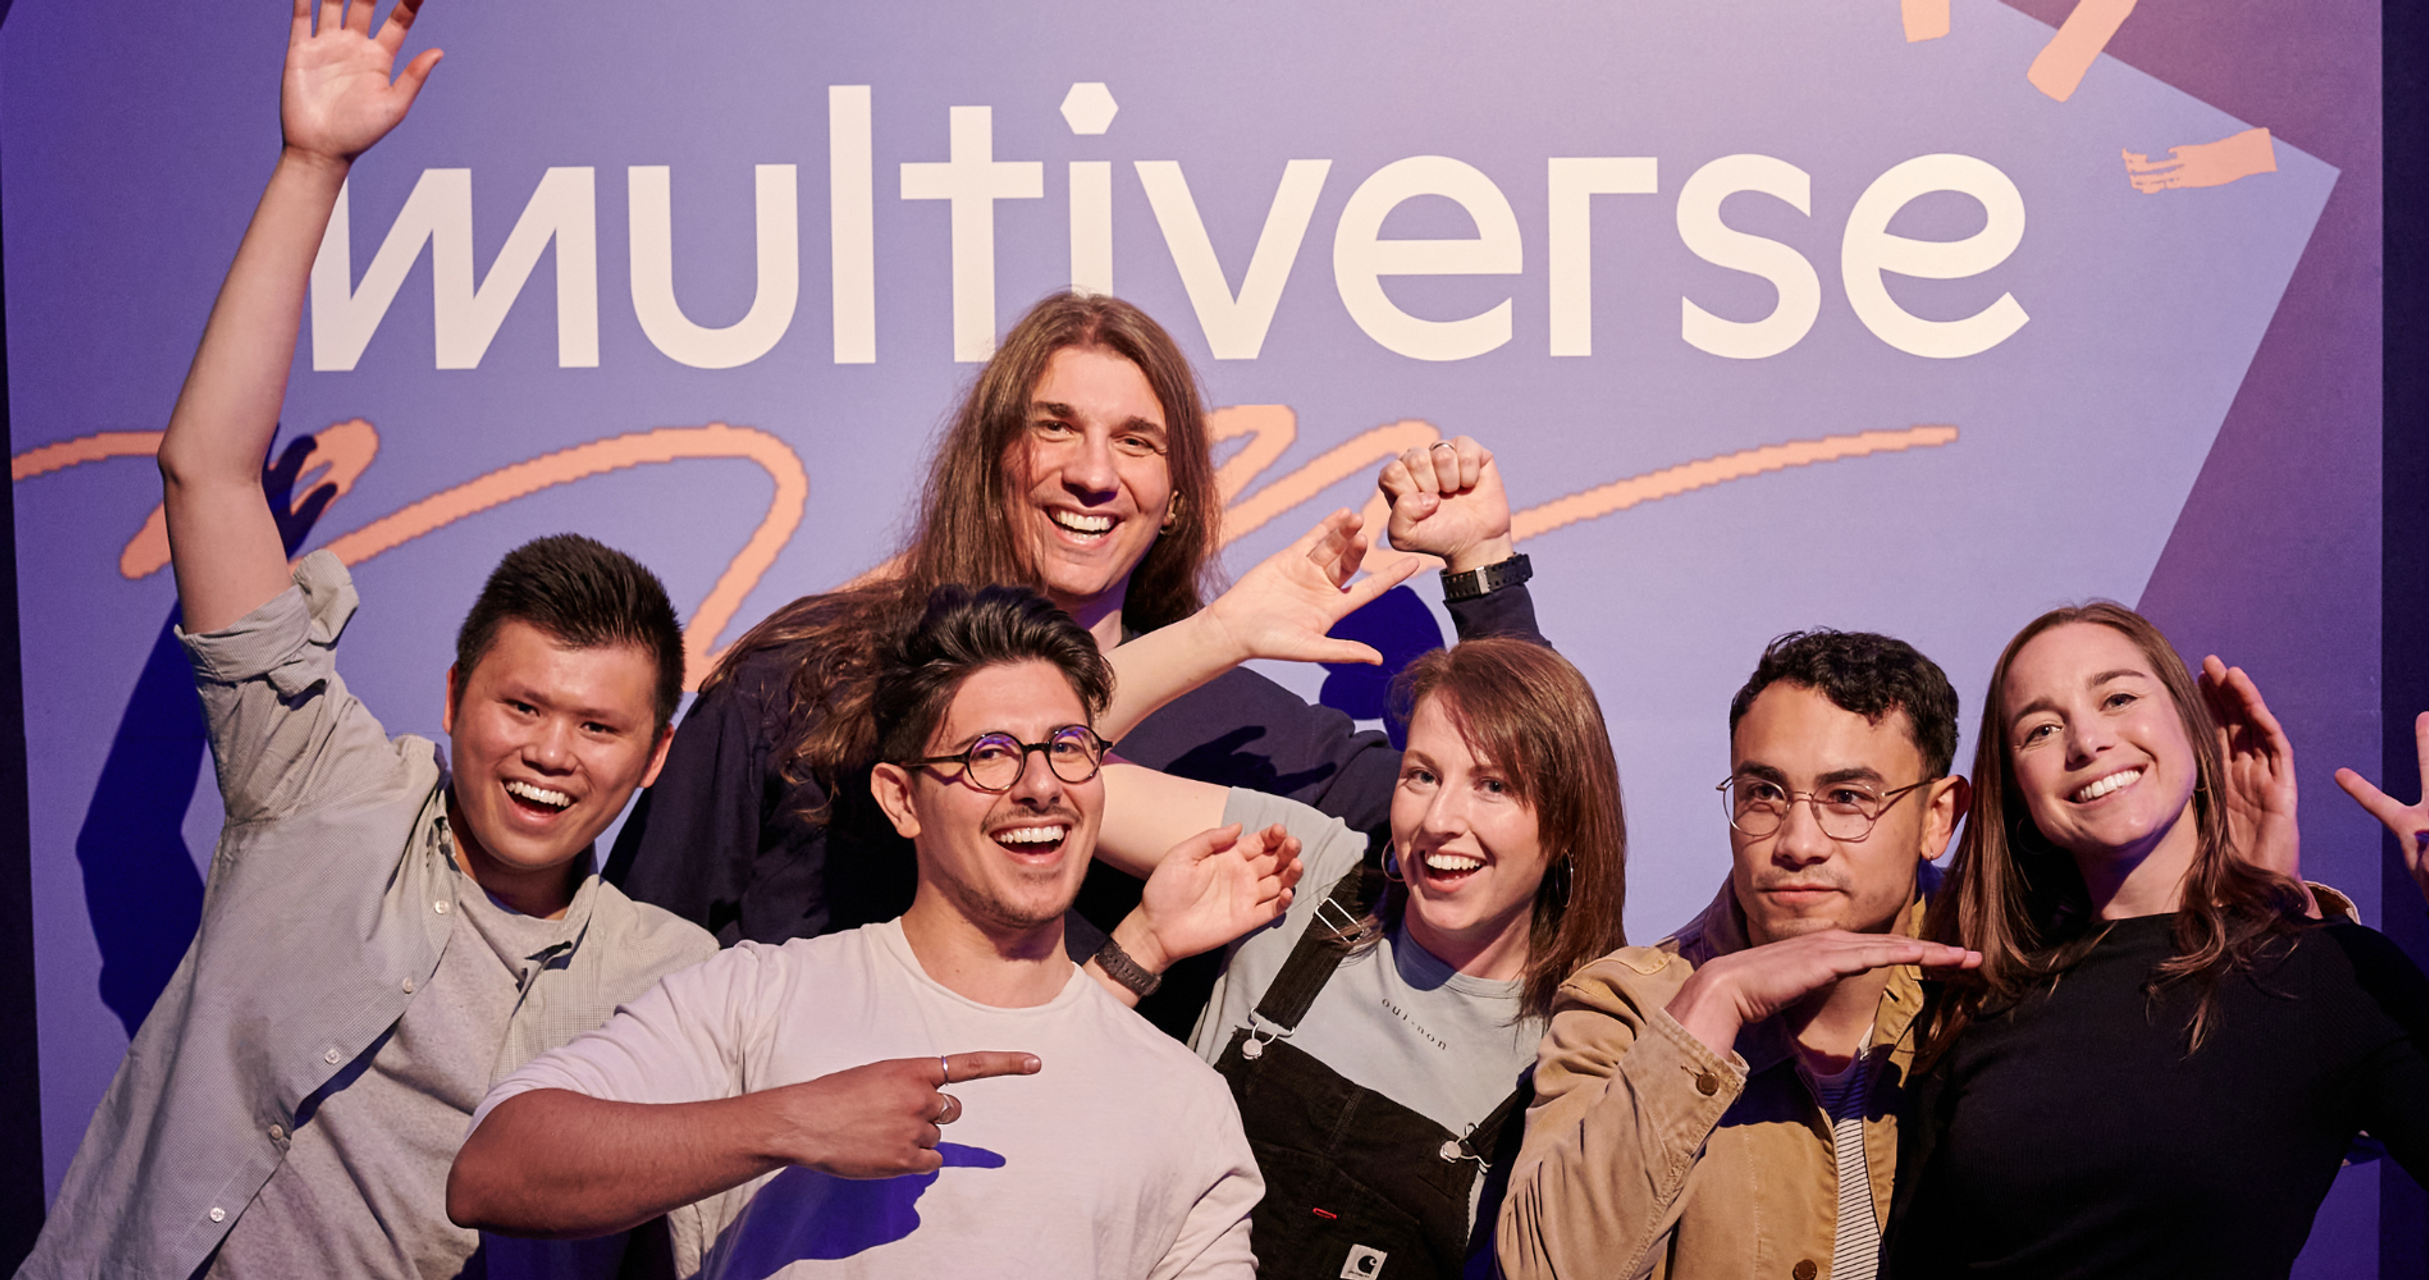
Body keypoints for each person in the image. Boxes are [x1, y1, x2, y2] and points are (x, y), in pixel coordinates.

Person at [18, 5, 716, 1277]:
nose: (550, 752)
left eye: (599, 724)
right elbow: (206, 477)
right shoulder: (324, 785)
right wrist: (313, 166)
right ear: (455, 695)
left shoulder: (665, 976)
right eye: (522, 705)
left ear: (653, 758)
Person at [605, 290, 1543, 964]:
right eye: (1056, 427)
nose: (1094, 475)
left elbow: (1537, 816)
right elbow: (634, 958)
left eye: (1136, 441)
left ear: (1176, 496)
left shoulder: (1251, 728)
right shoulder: (802, 674)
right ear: (993, 458)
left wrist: (1483, 565)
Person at [448, 586, 1274, 1279]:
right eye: (989, 754)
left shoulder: (1183, 1102)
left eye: (1068, 748)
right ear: (901, 798)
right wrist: (785, 1124)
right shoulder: (756, 995)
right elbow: (493, 1170)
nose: (1038, 787)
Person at [1889, 601, 2429, 1275]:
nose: (2086, 741)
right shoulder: (1981, 991)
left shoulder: (2325, 974)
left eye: (2118, 697)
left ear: (2192, 724)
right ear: (2016, 789)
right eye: (2039, 728)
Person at [1078, 637, 1627, 1279]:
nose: (1441, 820)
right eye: (1422, 775)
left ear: (1566, 824)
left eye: (1494, 785)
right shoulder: (1303, 868)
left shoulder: (1578, 1046)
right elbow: (1043, 768)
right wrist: (1229, 629)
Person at [1496, 630, 1984, 1280]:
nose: (1798, 842)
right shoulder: (1626, 1002)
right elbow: (1543, 1273)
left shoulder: (2000, 981)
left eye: (1847, 798)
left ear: (1938, 817)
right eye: (1764, 794)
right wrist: (1710, 1011)